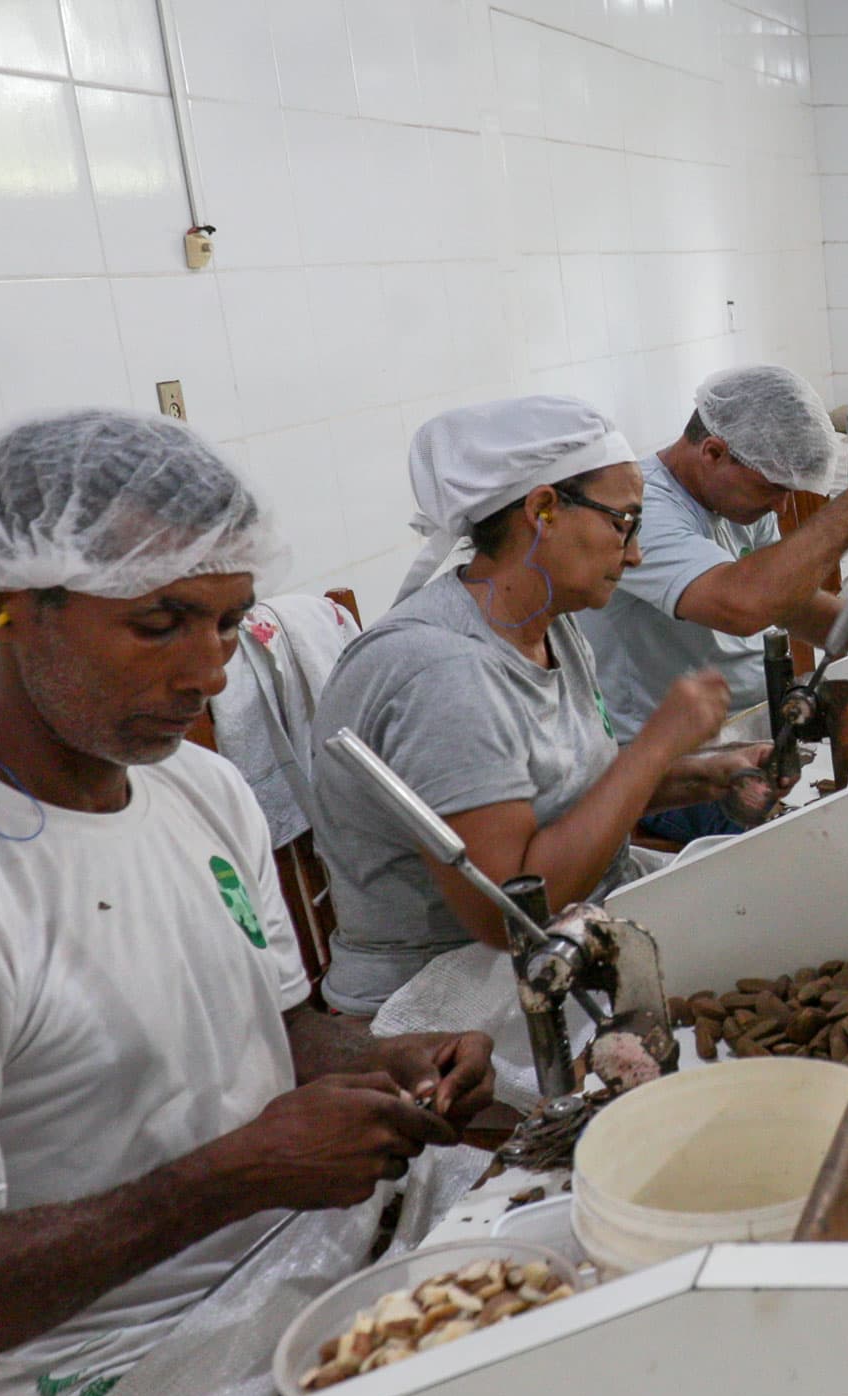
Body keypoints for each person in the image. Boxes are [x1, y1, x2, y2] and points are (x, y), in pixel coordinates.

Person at [0, 409, 493, 1396]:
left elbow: (274, 1027)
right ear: (12, 604)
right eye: (159, 621)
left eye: (228, 620)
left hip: (298, 1265)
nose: (211, 671)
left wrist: (387, 1057)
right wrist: (231, 1177)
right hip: (110, 1362)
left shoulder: (201, 789)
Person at [312, 397, 780, 1017]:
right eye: (624, 524)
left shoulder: (549, 627)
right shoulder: (444, 673)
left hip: (574, 927)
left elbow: (575, 792)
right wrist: (658, 744)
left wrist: (713, 772)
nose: (635, 554)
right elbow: (510, 911)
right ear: (543, 510)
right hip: (449, 997)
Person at [574, 367, 848, 842]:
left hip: (748, 731)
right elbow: (745, 604)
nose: (779, 508)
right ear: (713, 452)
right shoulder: (644, 510)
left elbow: (785, 601)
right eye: (773, 489)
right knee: (845, 835)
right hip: (666, 769)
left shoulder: (734, 502)